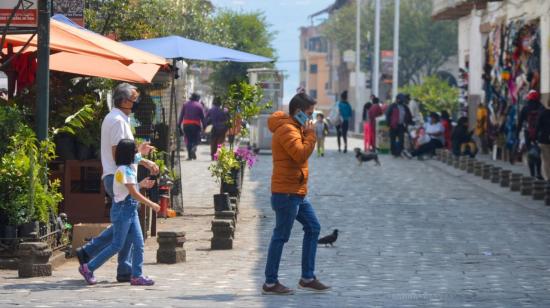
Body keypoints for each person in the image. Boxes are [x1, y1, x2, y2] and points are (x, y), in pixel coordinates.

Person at [75, 83, 159, 283]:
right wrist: (141, 156)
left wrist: (144, 160)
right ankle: (92, 258)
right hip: (119, 178)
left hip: (119, 176)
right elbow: (120, 155)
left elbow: (125, 154)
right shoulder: (118, 121)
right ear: (123, 101)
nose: (136, 103)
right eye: (133, 99)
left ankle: (126, 270)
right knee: (123, 230)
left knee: (129, 229)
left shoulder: (117, 118)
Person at [263, 92, 330, 295]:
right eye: (308, 113)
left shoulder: (296, 127)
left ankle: (307, 277)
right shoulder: (286, 129)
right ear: (298, 111)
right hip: (286, 193)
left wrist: (306, 132)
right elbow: (300, 154)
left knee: (313, 227)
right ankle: (270, 282)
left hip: (297, 192)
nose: (310, 118)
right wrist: (311, 135)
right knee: (281, 236)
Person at [79, 139, 161, 285]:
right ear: (128, 154)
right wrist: (152, 204)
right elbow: (133, 193)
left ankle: (136, 275)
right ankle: (88, 268)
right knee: (117, 245)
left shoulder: (127, 166)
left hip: (130, 210)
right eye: (134, 151)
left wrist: (141, 182)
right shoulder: (123, 170)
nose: (136, 154)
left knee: (139, 243)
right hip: (123, 211)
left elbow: (131, 183)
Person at [519, 90, 543, 179]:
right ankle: (539, 173)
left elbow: (520, 122)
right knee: (538, 153)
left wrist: (517, 133)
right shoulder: (541, 107)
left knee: (530, 153)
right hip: (538, 134)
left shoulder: (525, 108)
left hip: (528, 133)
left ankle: (532, 174)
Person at [178, 93, 205, 160]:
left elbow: (181, 116)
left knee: (188, 140)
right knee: (196, 140)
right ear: (197, 98)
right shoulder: (199, 105)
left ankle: (190, 156)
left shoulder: (185, 104)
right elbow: (203, 118)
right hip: (195, 125)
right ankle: (194, 148)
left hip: (186, 125)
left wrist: (179, 125)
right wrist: (205, 126)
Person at [386, 93, 412, 157]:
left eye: (403, 100)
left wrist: (409, 122)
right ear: (397, 99)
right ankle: (394, 152)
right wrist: (389, 124)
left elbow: (409, 115)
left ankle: (399, 152)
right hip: (393, 125)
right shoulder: (392, 106)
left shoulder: (405, 107)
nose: (402, 101)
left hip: (401, 125)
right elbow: (388, 115)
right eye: (401, 100)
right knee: (393, 140)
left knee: (401, 139)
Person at [536, 102, 550, 180]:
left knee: (546, 160)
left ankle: (548, 178)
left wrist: (535, 138)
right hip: (544, 139)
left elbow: (537, 126)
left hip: (544, 140)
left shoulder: (543, 113)